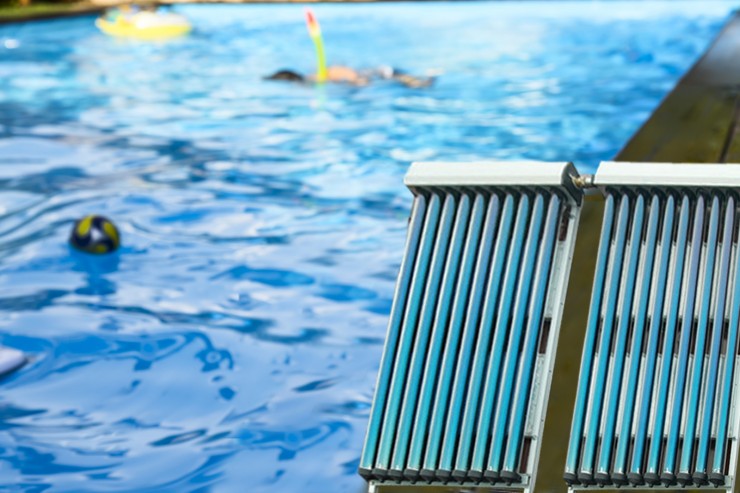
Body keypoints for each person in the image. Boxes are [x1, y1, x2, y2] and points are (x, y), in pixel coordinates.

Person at [265, 65, 435, 89]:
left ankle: (422, 82)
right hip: (376, 73)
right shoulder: (315, 78)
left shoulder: (319, 77)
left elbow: (345, 72)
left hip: (379, 73)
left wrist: (356, 81)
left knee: (410, 82)